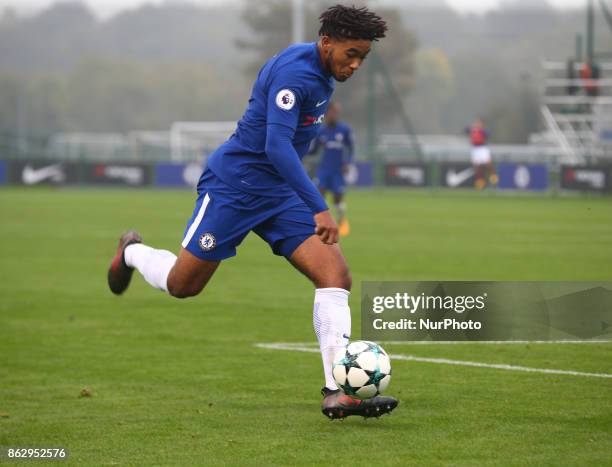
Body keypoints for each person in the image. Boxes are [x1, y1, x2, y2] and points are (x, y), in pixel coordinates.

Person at [107, 5, 397, 420]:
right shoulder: (295, 75)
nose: (355, 64)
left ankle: (339, 390)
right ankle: (131, 252)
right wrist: (319, 207)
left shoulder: (324, 72)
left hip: (278, 193)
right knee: (183, 285)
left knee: (335, 276)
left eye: (362, 58)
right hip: (234, 188)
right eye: (351, 53)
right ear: (327, 42)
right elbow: (275, 146)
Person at [309, 101, 354, 236]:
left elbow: (351, 148)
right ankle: (317, 222)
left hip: (337, 171)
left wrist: (348, 162)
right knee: (318, 195)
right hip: (324, 170)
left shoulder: (344, 130)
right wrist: (300, 153)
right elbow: (314, 150)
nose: (334, 115)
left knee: (337, 198)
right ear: (326, 113)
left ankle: (342, 220)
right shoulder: (321, 131)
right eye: (332, 112)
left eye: (336, 112)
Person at [466, 118, 497, 189]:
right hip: (475, 149)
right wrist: (472, 129)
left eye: (479, 124)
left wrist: (481, 131)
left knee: (488, 164)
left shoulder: (482, 131)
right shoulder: (473, 131)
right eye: (476, 123)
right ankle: (480, 182)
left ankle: (493, 177)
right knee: (478, 167)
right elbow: (465, 130)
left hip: (482, 148)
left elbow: (489, 134)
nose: (477, 125)